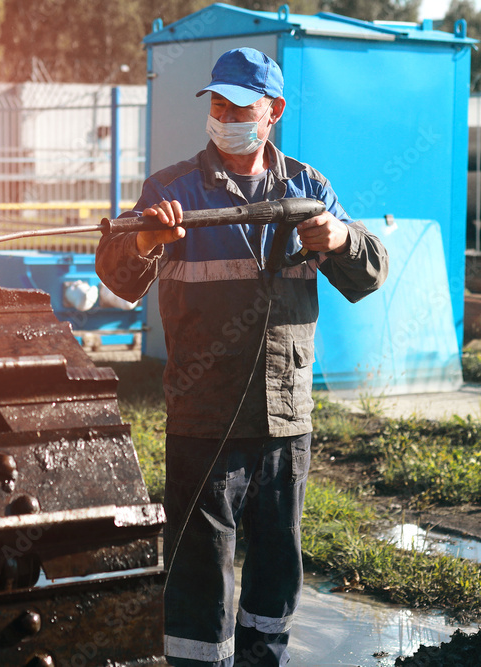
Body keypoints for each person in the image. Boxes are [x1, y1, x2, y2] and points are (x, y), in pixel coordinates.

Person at [95, 47, 388, 666]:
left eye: (240, 104)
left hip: (285, 418)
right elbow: (118, 277)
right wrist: (148, 238)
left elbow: (369, 274)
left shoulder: (308, 189)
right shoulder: (171, 190)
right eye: (218, 103)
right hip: (204, 416)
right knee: (200, 568)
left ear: (272, 111)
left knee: (276, 565)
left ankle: (265, 657)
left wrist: (340, 237)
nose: (226, 114)